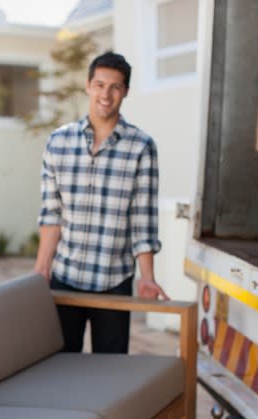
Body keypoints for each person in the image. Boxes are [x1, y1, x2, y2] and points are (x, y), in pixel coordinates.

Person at [34, 51, 168, 354]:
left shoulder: (142, 147)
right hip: (65, 280)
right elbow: (51, 213)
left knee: (108, 375)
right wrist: (41, 269)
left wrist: (147, 277)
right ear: (88, 86)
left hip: (114, 282)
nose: (106, 94)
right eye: (99, 84)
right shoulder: (58, 142)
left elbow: (143, 220)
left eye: (115, 87)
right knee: (60, 369)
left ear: (126, 92)